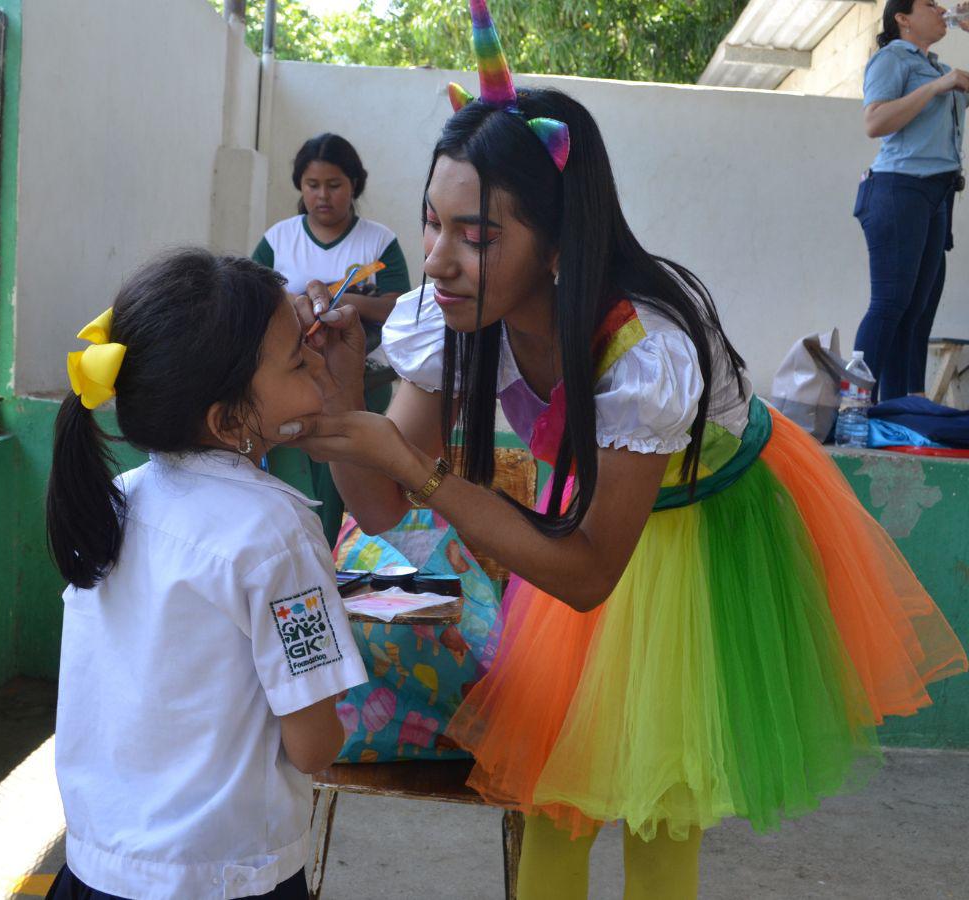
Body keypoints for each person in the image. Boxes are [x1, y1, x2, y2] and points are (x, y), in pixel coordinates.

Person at [290, 2, 968, 897]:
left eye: (475, 235)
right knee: (556, 800)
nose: (438, 260)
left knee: (658, 798)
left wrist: (412, 463)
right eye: (432, 223)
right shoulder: (445, 318)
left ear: (559, 243)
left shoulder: (645, 349)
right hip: (583, 512)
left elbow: (586, 575)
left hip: (700, 532)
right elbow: (381, 512)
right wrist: (344, 408)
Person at [44, 249, 367, 899]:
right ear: (228, 420)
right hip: (227, 876)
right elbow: (313, 745)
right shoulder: (275, 533)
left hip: (97, 867)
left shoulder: (115, 503)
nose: (315, 367)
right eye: (301, 361)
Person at [253, 133, 412, 543]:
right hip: (289, 376)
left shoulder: (379, 241)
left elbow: (400, 304)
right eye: (312, 185)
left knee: (352, 465)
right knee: (297, 473)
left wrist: (344, 300)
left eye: (334, 185)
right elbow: (250, 298)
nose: (323, 195)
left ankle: (342, 559)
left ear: (354, 185)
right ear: (300, 186)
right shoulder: (278, 239)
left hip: (364, 378)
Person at [854, 0, 968, 401]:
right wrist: (938, 86)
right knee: (890, 304)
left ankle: (906, 409)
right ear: (902, 18)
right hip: (898, 188)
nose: (941, 9)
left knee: (917, 314)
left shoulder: (940, 68)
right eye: (929, 4)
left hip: (936, 194)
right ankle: (854, 405)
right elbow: (875, 121)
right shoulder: (892, 59)